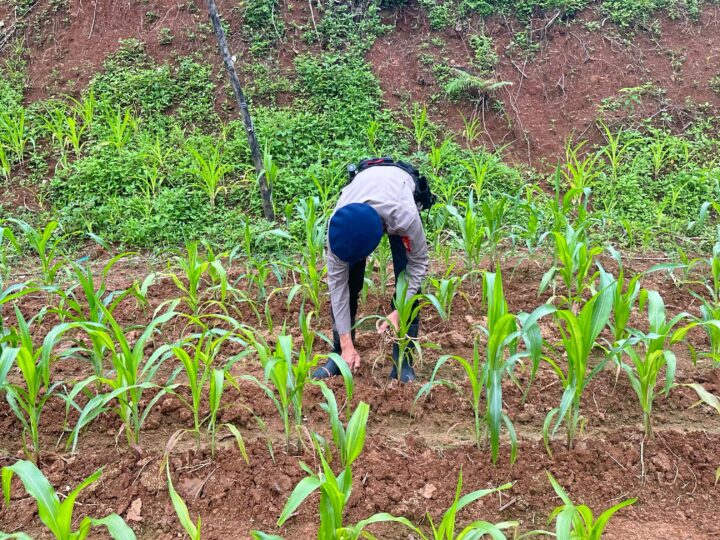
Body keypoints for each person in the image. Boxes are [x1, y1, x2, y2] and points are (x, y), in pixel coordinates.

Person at [312, 161, 430, 383]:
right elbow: (337, 287)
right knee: (348, 283)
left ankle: (403, 361)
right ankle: (340, 353)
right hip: (363, 190)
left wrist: (399, 310)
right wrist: (346, 343)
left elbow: (419, 263)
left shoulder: (404, 217)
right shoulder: (338, 228)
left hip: (398, 189)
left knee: (407, 279)